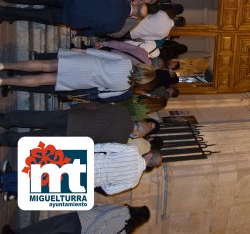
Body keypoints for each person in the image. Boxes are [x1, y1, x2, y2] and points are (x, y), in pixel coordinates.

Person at [0, 0, 147, 36]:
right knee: (37, 15)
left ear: (136, 2)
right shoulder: (117, 25)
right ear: (134, 17)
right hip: (73, 17)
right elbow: (94, 30)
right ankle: (6, 13)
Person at [0, 49, 154, 99]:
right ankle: (4, 82)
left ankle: (4, 65)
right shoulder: (124, 87)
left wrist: (82, 51)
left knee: (44, 64)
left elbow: (102, 54)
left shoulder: (125, 61)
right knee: (43, 80)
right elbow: (102, 95)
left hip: (85, 63)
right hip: (83, 80)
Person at [0, 103, 160, 146]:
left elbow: (96, 106)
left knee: (40, 118)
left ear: (139, 121)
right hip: (74, 136)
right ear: (136, 134)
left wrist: (76, 108)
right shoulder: (121, 141)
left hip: (75, 117)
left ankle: (6, 120)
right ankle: (7, 139)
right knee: (37, 139)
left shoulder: (123, 111)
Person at [2, 204, 150, 234]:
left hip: (81, 221)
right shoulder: (126, 231)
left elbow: (103, 218)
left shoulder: (125, 212)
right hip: (82, 231)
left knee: (47, 226)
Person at [94, 143, 162, 195]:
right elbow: (109, 191)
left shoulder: (132, 150)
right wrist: (102, 179)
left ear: (149, 155)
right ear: (150, 166)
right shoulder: (134, 182)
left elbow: (106, 146)